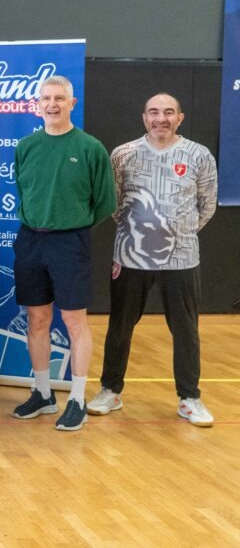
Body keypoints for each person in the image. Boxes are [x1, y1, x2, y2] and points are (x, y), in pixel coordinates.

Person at [88, 93, 218, 427]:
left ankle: (189, 398)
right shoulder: (123, 154)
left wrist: (176, 232)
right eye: (154, 112)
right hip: (130, 256)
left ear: (180, 118)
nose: (161, 118)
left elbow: (207, 205)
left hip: (182, 258)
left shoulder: (199, 155)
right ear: (144, 118)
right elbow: (114, 203)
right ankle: (110, 391)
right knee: (120, 325)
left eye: (169, 112)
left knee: (186, 329)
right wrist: (140, 235)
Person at [12, 75, 116, 431]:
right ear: (37, 104)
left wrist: (71, 224)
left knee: (74, 321)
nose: (52, 104)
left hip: (70, 242)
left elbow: (105, 202)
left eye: (59, 98)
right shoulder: (26, 146)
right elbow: (24, 191)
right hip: (30, 240)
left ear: (72, 103)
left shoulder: (90, 148)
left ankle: (77, 399)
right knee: (37, 319)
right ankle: (43, 393)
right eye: (46, 98)